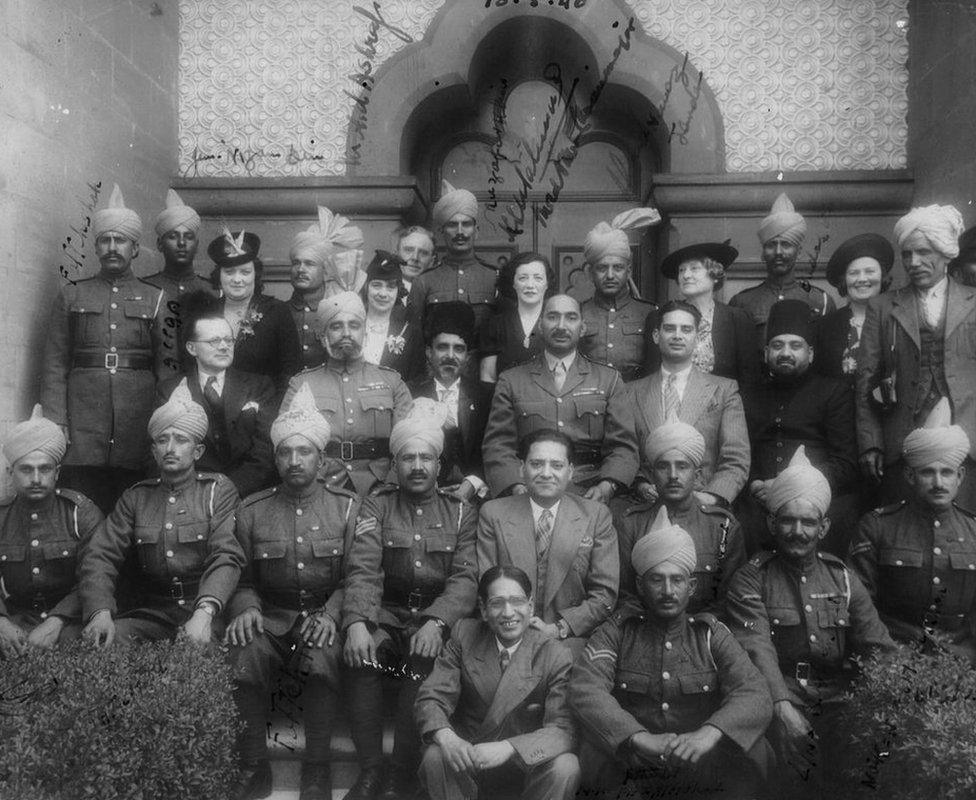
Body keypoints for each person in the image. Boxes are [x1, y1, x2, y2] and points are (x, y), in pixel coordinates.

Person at [725, 447, 895, 797]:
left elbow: (878, 647)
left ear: (824, 527)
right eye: (788, 520)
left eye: (809, 522)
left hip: (839, 699)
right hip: (779, 696)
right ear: (772, 523)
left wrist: (890, 698)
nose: (798, 531)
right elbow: (757, 649)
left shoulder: (842, 577)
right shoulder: (751, 578)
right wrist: (782, 705)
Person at [569, 510, 772, 799]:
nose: (667, 591)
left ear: (690, 587)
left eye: (677, 580)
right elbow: (585, 690)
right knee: (594, 754)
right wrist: (636, 738)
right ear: (640, 585)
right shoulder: (618, 631)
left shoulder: (710, 634)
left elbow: (754, 692)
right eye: (656, 580)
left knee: (755, 752)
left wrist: (709, 733)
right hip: (635, 762)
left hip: (699, 762)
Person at [225, 383, 360, 800]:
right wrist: (246, 607)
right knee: (244, 655)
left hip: (323, 617)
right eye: (286, 452)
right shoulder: (251, 510)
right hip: (271, 617)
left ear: (322, 460)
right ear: (276, 458)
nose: (294, 460)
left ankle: (316, 769)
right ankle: (253, 764)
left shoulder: (348, 508)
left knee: (320, 660)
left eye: (304, 452)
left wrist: (334, 615)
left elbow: (358, 575)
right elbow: (241, 576)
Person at [341, 410, 478, 800]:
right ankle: (371, 770)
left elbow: (466, 578)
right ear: (395, 463)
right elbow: (364, 566)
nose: (417, 467)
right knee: (361, 656)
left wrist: (438, 622)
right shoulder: (377, 505)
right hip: (385, 612)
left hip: (433, 618)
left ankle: (400, 773)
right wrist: (357, 622)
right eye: (408, 458)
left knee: (422, 659)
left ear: (439, 464)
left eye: (425, 459)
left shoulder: (462, 511)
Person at [79, 380, 244, 646]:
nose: (170, 448)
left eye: (181, 440)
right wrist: (100, 612)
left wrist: (205, 613)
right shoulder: (136, 497)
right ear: (154, 451)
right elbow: (100, 554)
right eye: (162, 440)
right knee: (108, 642)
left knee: (200, 655)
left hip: (203, 610)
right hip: (153, 613)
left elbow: (227, 555)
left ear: (198, 451)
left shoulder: (217, 491)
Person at [41, 183, 167, 514]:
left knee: (134, 508)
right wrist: (57, 421)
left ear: (135, 248)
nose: (113, 247)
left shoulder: (156, 299)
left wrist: (162, 422)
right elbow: (55, 362)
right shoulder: (72, 295)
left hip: (136, 419)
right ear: (96, 246)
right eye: (105, 240)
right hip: (84, 420)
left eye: (120, 240)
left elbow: (168, 368)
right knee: (81, 504)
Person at [414, 565, 580, 800]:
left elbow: (563, 730)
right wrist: (447, 737)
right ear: (483, 609)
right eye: (497, 603)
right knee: (435, 754)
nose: (509, 612)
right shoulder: (465, 634)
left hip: (524, 769)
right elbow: (432, 697)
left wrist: (509, 748)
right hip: (470, 765)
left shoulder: (554, 653)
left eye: (517, 601)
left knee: (566, 766)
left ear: (530, 606)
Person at [856, 204, 976, 508]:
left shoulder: (973, 302)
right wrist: (871, 443)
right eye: (907, 254)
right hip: (902, 441)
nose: (914, 262)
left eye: (924, 252)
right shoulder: (882, 307)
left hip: (967, 442)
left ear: (945, 253)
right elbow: (865, 380)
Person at [850, 398, 976, 662]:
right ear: (909, 476)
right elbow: (858, 604)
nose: (939, 482)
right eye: (928, 472)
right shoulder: (877, 526)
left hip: (960, 662)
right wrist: (889, 658)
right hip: (892, 657)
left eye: (947, 472)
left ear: (961, 477)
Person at [483, 294, 638, 504]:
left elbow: (623, 446)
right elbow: (498, 445)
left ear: (582, 328)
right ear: (540, 325)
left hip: (590, 489)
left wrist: (607, 486)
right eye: (553, 317)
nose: (561, 326)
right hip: (529, 487)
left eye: (571, 318)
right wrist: (516, 488)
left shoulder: (608, 380)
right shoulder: (511, 380)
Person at [477, 429, 619, 654]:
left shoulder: (596, 516)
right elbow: (486, 585)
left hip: (570, 641)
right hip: (506, 637)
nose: (546, 473)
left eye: (556, 465)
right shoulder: (493, 514)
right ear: (521, 469)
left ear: (570, 471)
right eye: (536, 464)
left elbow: (604, 595)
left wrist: (559, 628)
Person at [741, 299, 859, 555]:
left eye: (796, 346)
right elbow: (738, 453)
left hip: (816, 501)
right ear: (766, 353)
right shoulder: (748, 394)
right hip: (758, 502)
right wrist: (754, 485)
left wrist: (791, 485)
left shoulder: (833, 392)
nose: (785, 353)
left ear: (811, 353)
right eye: (777, 345)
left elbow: (846, 465)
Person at [283, 291, 412, 495]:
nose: (346, 333)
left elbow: (409, 442)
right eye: (336, 326)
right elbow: (287, 445)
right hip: (320, 487)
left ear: (365, 333)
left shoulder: (392, 382)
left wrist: (392, 487)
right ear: (322, 336)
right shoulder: (302, 383)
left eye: (354, 325)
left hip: (380, 487)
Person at [0, 406, 104, 658]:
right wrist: (1, 622)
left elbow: (94, 577)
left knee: (90, 646)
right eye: (26, 469)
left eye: (45, 469)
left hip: (69, 620)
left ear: (57, 473)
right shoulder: (2, 516)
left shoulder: (80, 512)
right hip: (16, 619)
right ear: (10, 473)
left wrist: (56, 621)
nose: (36, 478)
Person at [618, 421, 745, 617]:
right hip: (645, 632)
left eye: (682, 466)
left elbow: (728, 598)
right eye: (663, 467)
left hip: (705, 634)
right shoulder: (631, 524)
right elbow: (626, 596)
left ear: (697, 475)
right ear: (651, 474)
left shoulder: (722, 526)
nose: (673, 475)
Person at [631, 300, 750, 509]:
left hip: (704, 503)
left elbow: (736, 458)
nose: (677, 336)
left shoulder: (724, 390)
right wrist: (639, 483)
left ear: (698, 337)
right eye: (669, 329)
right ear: (656, 336)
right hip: (647, 504)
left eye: (686, 329)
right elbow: (626, 452)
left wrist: (712, 497)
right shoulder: (630, 392)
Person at [156, 297, 276, 498]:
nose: (224, 347)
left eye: (228, 340)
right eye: (214, 341)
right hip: (191, 496)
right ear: (192, 348)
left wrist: (229, 491)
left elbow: (264, 454)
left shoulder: (259, 387)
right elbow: (161, 452)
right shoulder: (169, 390)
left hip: (249, 494)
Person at [408, 302, 491, 501]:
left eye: (459, 349)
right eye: (442, 347)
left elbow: (492, 449)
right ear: (429, 352)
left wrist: (471, 484)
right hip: (422, 496)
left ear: (468, 356)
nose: (450, 356)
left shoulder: (485, 396)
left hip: (475, 496)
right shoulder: (409, 393)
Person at [650, 241, 760, 390]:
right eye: (682, 270)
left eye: (694, 268)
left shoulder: (737, 319)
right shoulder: (659, 317)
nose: (686, 275)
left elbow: (749, 380)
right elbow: (650, 376)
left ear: (715, 274)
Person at [207, 228, 301, 399]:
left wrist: (272, 411)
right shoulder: (207, 312)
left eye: (245, 272)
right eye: (229, 272)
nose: (237, 279)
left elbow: (290, 370)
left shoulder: (276, 311)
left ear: (255, 275)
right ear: (219, 276)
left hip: (263, 407)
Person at [729, 192, 834, 335]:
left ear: (799, 252)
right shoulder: (742, 302)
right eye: (771, 245)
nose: (778, 251)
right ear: (763, 253)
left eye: (786, 244)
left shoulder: (821, 301)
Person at [578, 208, 660, 383]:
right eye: (602, 268)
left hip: (635, 403)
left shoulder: (649, 313)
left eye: (617, 267)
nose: (609, 275)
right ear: (591, 272)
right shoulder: (578, 313)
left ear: (628, 271)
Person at [408, 180, 498, 333]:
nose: (460, 231)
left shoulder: (494, 277)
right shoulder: (423, 281)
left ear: (476, 231)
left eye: (466, 224)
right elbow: (414, 335)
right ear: (442, 231)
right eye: (452, 225)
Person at [143, 189, 214, 372]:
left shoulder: (213, 290)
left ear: (197, 245)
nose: (182, 243)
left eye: (189, 237)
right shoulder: (144, 289)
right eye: (173, 236)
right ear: (159, 244)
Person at [814, 233, 894, 381]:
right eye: (854, 273)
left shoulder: (897, 320)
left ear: (882, 276)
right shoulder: (825, 326)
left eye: (870, 271)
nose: (862, 279)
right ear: (844, 280)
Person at [478, 252, 552, 383]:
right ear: (513, 283)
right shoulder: (495, 325)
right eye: (523, 278)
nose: (530, 285)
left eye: (538, 278)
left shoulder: (557, 324)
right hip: (505, 401)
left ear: (547, 284)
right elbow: (488, 377)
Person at [288, 211, 347, 369]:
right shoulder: (279, 311)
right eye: (296, 263)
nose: (301, 269)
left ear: (325, 270)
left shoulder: (338, 310)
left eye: (309, 263)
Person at [360, 250, 423, 382]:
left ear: (398, 290)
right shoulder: (353, 324)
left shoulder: (409, 332)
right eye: (376, 285)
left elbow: (415, 379)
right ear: (366, 287)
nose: (383, 294)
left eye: (390, 287)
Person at [394, 224, 436, 298]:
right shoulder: (382, 291)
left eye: (423, 253)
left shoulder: (438, 293)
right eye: (408, 250)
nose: (415, 258)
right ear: (396, 255)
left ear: (431, 261)